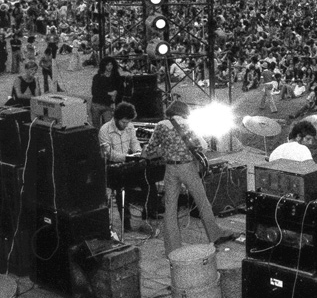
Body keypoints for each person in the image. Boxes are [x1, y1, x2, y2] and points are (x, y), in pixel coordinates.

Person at [143, 101, 237, 256]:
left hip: (170, 168)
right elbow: (202, 146)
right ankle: (214, 235)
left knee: (170, 208)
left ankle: (172, 248)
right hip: (188, 167)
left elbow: (151, 149)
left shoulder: (161, 125)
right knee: (202, 202)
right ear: (184, 112)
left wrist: (165, 150)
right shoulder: (189, 124)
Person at [98, 102, 150, 231]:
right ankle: (126, 223)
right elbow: (109, 154)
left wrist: (139, 153)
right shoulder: (104, 130)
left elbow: (134, 143)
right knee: (122, 190)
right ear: (116, 119)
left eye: (127, 122)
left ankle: (147, 218)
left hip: (128, 162)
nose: (126, 125)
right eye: (123, 122)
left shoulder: (130, 126)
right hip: (113, 166)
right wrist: (126, 157)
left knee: (148, 183)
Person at [91, 56, 125, 127]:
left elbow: (121, 89)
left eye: (111, 64)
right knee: (96, 127)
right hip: (96, 104)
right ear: (103, 66)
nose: (109, 67)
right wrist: (109, 93)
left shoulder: (116, 77)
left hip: (108, 106)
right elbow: (94, 92)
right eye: (107, 65)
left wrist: (116, 93)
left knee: (108, 127)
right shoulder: (97, 77)